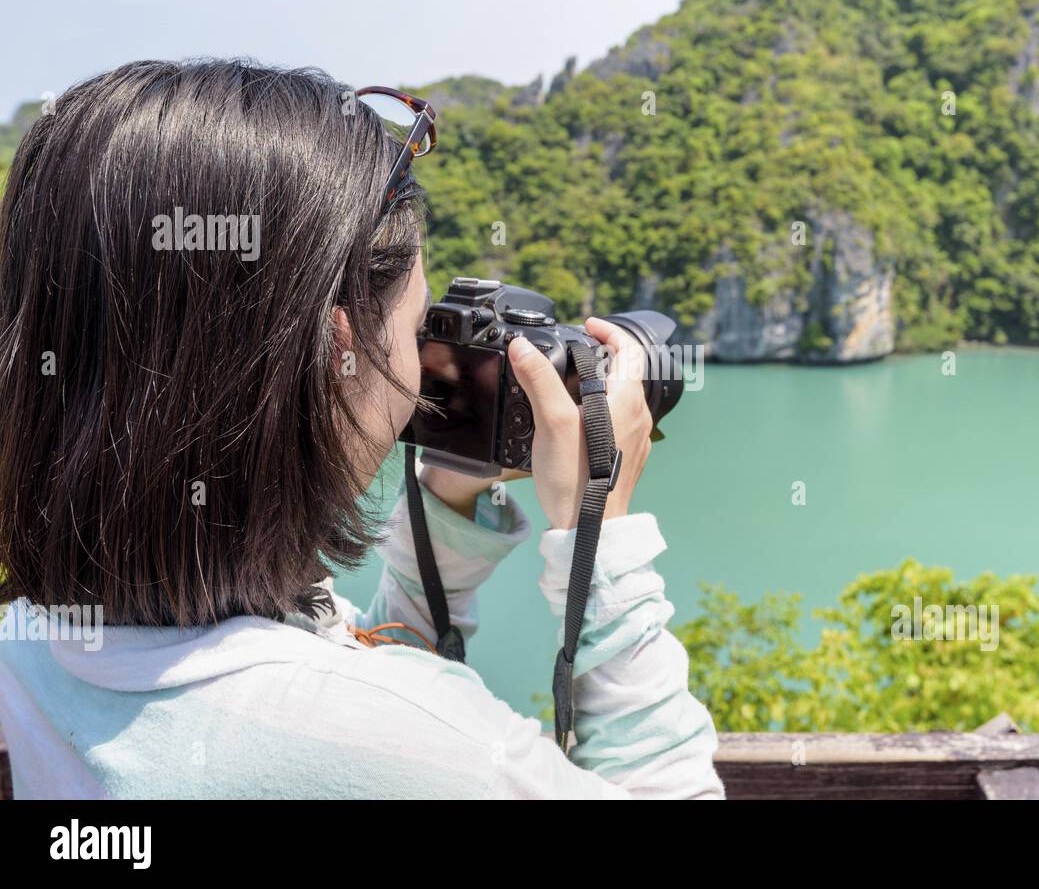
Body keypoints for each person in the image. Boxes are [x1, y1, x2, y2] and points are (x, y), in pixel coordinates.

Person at [0, 59, 724, 799]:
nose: (422, 376)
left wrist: (444, 508)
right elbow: (372, 728)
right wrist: (603, 541)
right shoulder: (458, 758)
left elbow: (329, 684)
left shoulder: (29, 650)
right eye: (419, 328)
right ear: (341, 349)